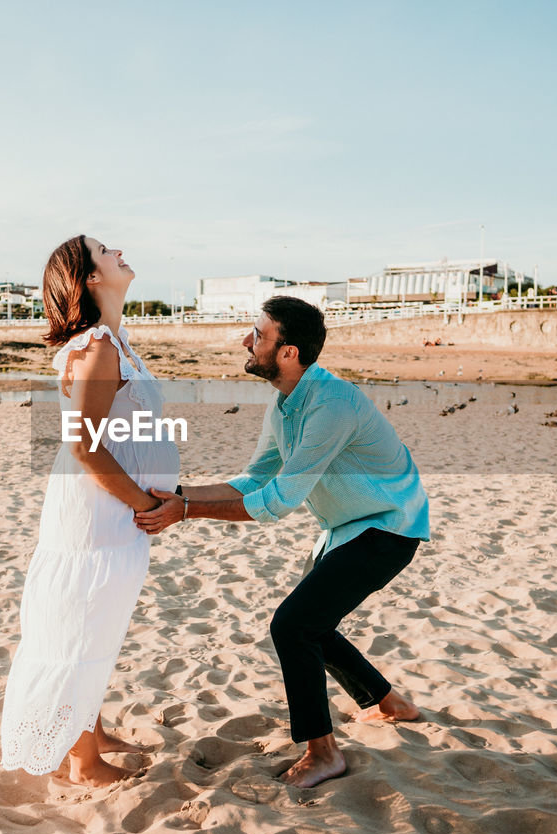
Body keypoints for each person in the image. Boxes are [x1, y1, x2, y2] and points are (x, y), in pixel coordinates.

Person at [135, 296, 430, 788]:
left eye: (258, 333)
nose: (246, 340)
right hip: (350, 526)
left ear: (288, 351)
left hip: (390, 526)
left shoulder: (331, 405)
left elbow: (278, 501)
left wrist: (185, 512)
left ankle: (324, 753)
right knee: (313, 624)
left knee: (294, 625)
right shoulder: (285, 401)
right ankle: (389, 704)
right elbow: (254, 479)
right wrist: (177, 495)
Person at [0, 236, 179, 786]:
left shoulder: (114, 342)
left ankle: (90, 731)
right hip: (97, 514)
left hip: (110, 513)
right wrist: (146, 502)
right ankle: (83, 762)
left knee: (94, 623)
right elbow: (84, 445)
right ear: (89, 279)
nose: (119, 249)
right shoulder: (99, 347)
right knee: (80, 627)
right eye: (105, 249)